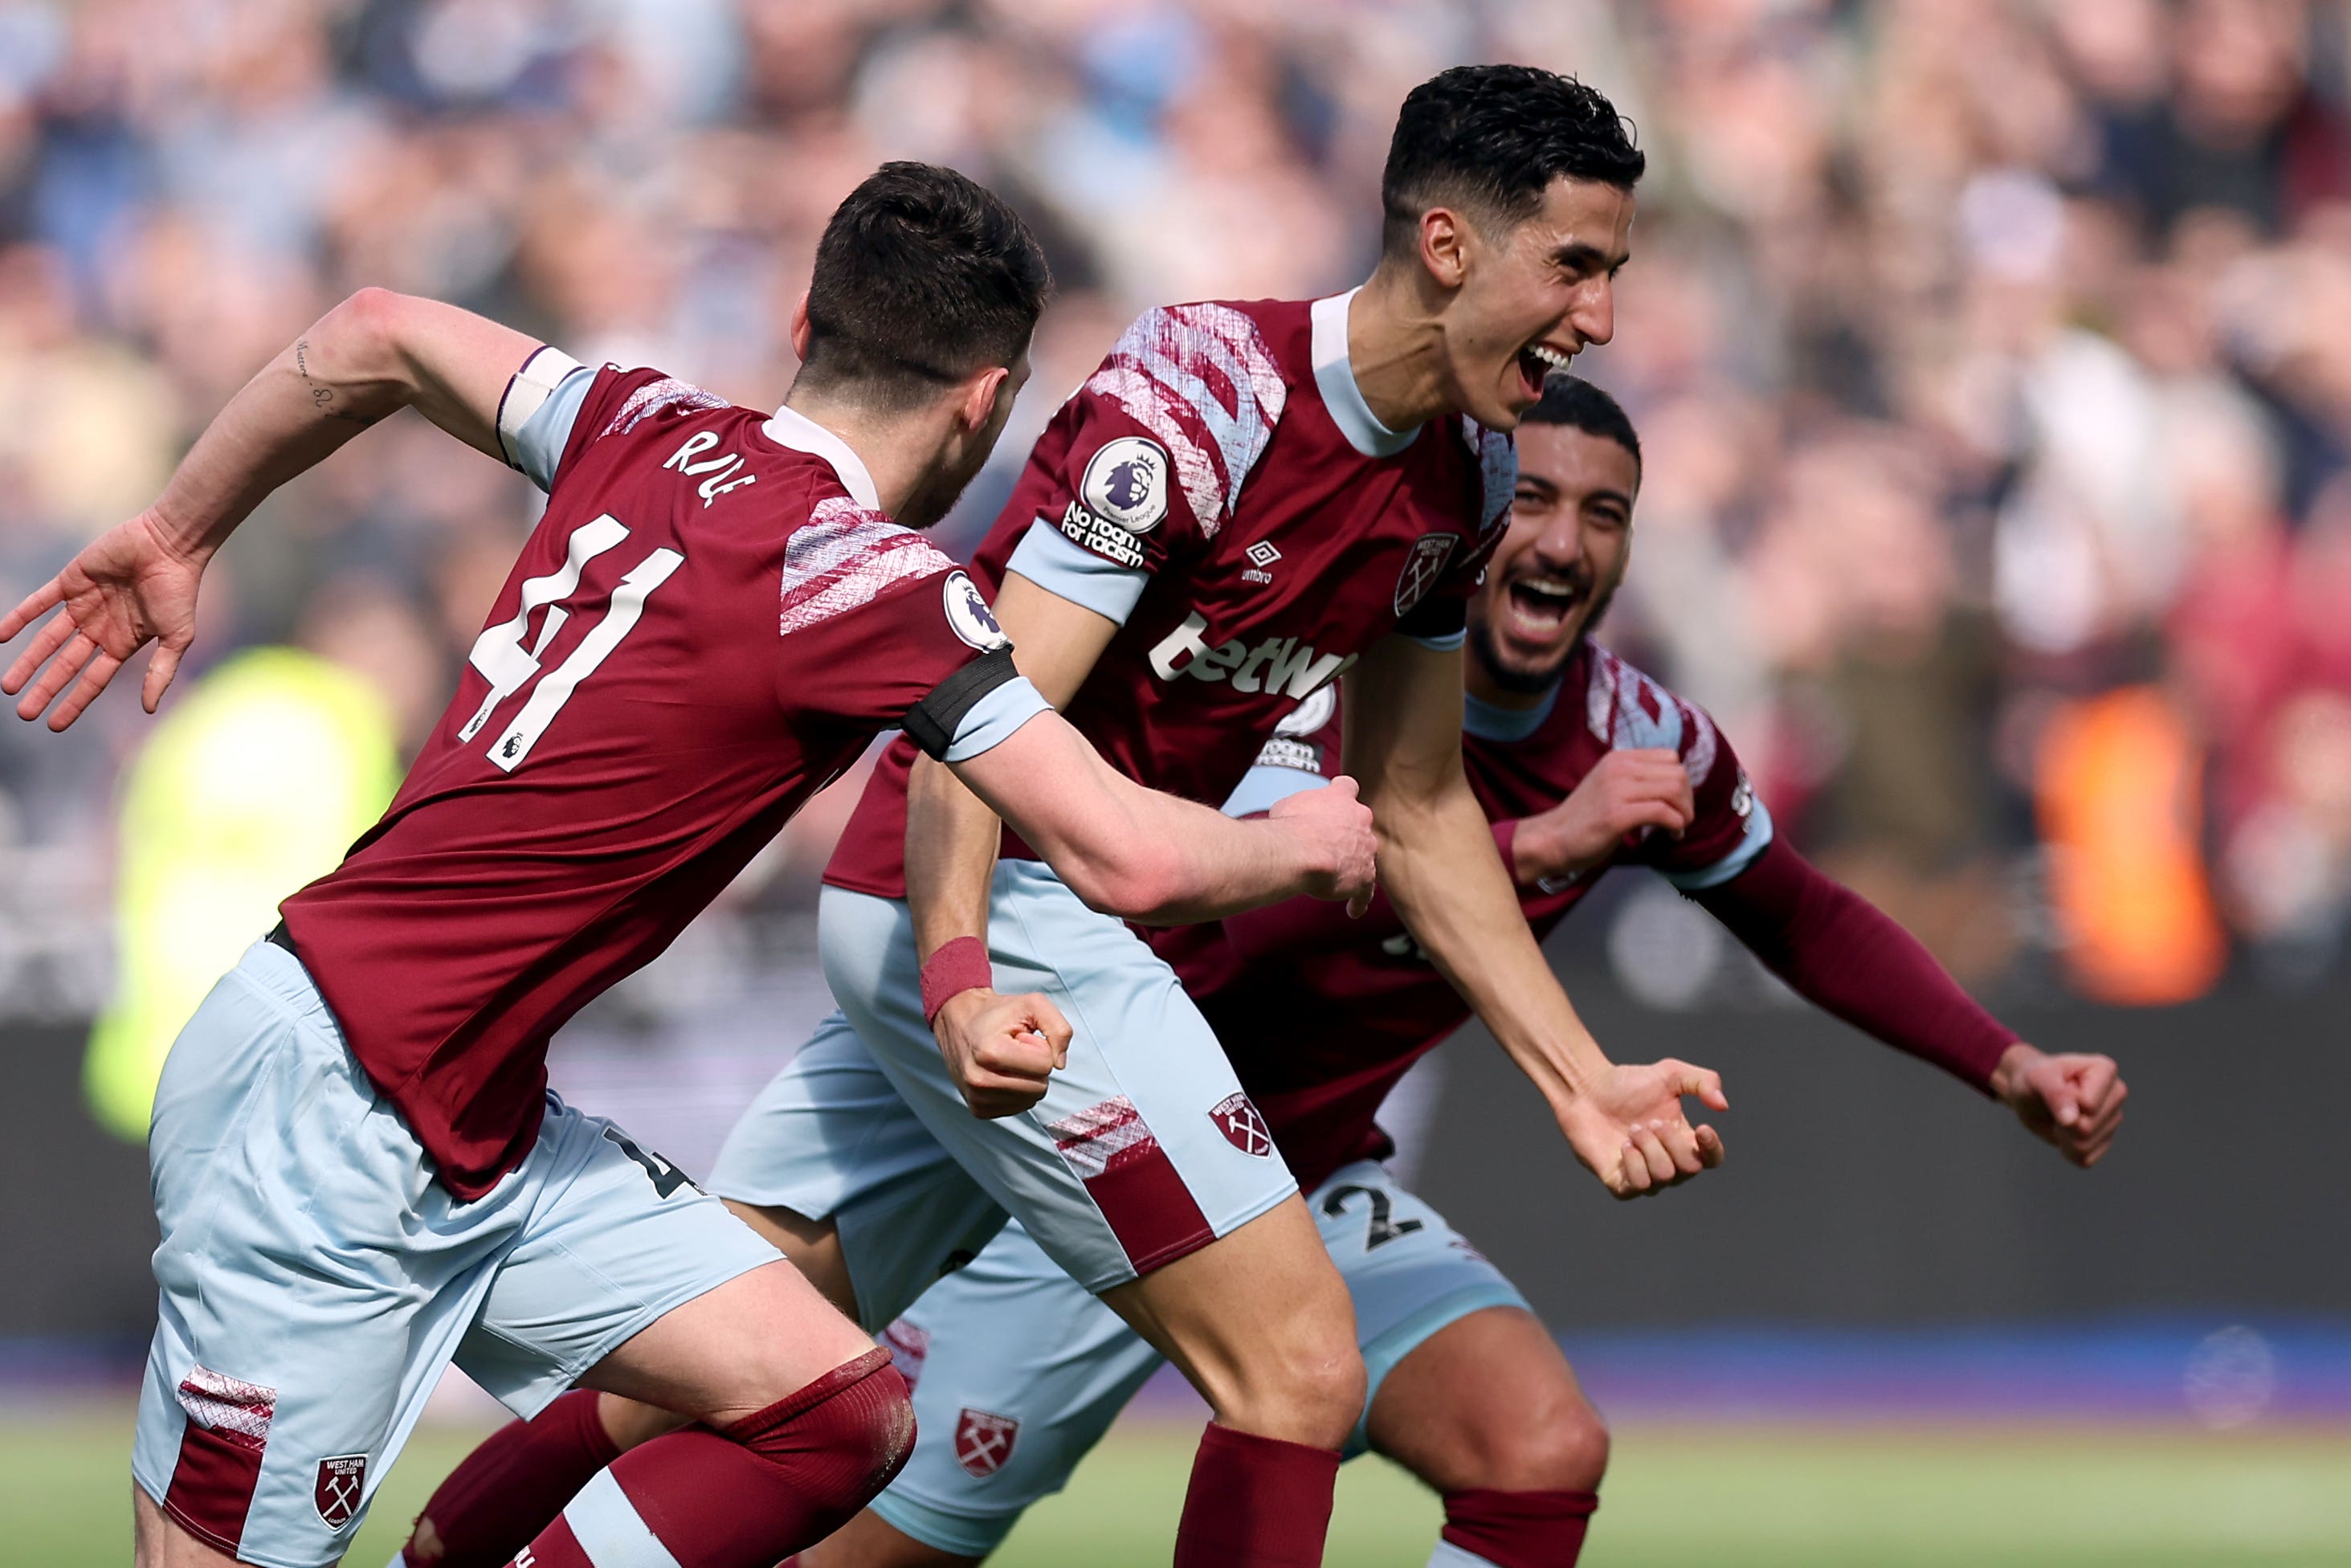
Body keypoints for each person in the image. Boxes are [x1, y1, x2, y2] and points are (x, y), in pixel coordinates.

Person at [396, 66, 1737, 1568]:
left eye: (1614, 273)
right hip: (989, 890)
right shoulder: (1206, 395)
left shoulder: (1469, 474)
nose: (1601, 319)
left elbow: (1417, 803)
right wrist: (962, 973)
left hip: (986, 912)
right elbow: (984, 718)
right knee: (1291, 1368)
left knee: (749, 1334)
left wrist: (1575, 1076)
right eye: (1574, 267)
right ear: (1444, 245)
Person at [0, 161, 1377, 1568]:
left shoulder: (642, 420)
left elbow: (370, 329)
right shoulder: (872, 584)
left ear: (801, 325)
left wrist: (178, 534)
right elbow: (1119, 850)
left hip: (480, 1124)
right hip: (328, 1114)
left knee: (841, 1415)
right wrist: (1295, 840)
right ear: (987, 399)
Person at [790, 377, 2131, 1568]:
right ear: (1470, 526)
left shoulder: (1640, 733)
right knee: (865, 1545)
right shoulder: (1309, 688)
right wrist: (1543, 845)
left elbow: (1804, 916)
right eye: (1533, 499)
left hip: (1314, 1175)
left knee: (1539, 1449)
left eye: (1603, 515)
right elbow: (1211, 945)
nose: (1562, 540)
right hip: (1140, 1162)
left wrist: (2002, 1061)